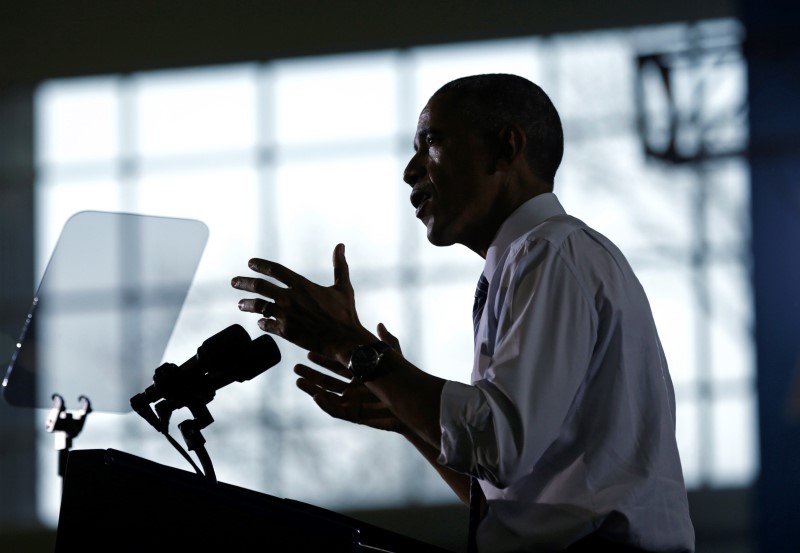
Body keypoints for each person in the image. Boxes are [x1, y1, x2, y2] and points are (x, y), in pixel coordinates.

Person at [231, 73, 695, 552]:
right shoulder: (532, 261)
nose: (411, 170)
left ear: (506, 147)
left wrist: (351, 345)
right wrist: (404, 415)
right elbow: (508, 503)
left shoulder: (549, 254)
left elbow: (499, 443)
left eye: (431, 141)